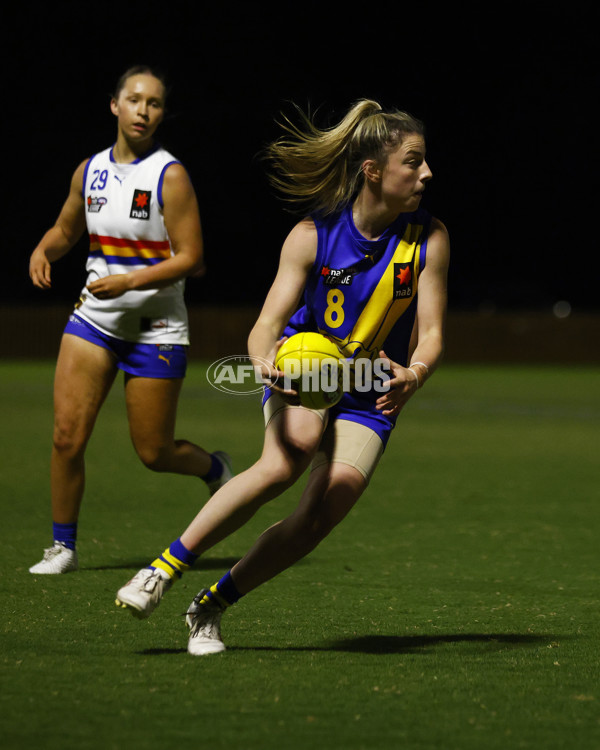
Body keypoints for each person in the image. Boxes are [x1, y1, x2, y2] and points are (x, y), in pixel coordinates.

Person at [115, 99, 450, 655]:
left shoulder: (429, 237)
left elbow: (432, 332)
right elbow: (265, 325)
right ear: (373, 171)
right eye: (412, 162)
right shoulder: (312, 235)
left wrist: (414, 373)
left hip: (370, 383)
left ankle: (210, 606)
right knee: (287, 455)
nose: (426, 173)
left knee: (323, 513)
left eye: (424, 162)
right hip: (306, 368)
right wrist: (267, 363)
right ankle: (162, 569)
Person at [28, 65, 233, 575]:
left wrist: (130, 281)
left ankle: (215, 467)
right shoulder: (89, 170)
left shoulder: (171, 174)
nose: (144, 110)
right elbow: (65, 228)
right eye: (135, 99)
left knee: (154, 452)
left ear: (162, 114)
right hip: (94, 321)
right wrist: (43, 250)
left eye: (156, 103)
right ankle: (63, 547)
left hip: (155, 328)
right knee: (66, 436)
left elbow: (191, 257)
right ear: (114, 105)